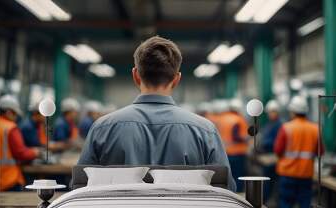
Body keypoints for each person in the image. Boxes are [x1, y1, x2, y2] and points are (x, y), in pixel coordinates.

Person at [78, 36, 236, 191]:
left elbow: (79, 187)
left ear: (136, 75)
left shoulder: (102, 128)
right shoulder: (205, 130)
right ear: (176, 79)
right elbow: (226, 189)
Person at [274, 96, 322, 208]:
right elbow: (320, 151)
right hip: (306, 174)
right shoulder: (315, 128)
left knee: (286, 203)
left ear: (292, 111)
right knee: (304, 204)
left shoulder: (286, 128)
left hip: (287, 173)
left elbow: (278, 150)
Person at [0, 95, 40, 192]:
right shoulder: (11, 128)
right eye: (15, 114)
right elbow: (21, 154)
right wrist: (35, 152)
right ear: (8, 112)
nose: (16, 117)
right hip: (8, 180)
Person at [216, 98, 249, 192]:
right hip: (237, 153)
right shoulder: (237, 119)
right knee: (238, 175)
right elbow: (236, 137)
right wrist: (246, 139)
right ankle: (237, 195)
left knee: (228, 176)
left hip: (225, 152)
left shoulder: (222, 118)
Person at [260, 100, 283, 203]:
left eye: (273, 112)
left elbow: (276, 143)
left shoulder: (280, 125)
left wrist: (265, 143)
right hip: (268, 156)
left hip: (274, 157)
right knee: (268, 181)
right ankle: (265, 201)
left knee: (272, 181)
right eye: (269, 112)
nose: (271, 114)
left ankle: (271, 201)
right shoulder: (269, 125)